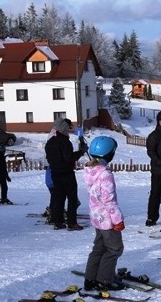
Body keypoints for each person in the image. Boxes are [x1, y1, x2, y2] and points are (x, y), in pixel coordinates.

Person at [82, 136, 127, 290]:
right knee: (114, 249)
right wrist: (117, 220)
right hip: (108, 219)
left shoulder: (90, 171)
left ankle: (90, 279)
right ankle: (104, 280)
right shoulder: (105, 174)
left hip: (97, 217)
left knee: (99, 248)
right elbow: (109, 200)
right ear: (110, 154)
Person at [45, 118, 86, 231]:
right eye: (67, 129)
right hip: (66, 173)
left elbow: (49, 158)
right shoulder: (64, 141)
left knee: (59, 197)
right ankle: (72, 223)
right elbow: (69, 157)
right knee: (72, 198)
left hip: (55, 172)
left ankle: (58, 222)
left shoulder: (50, 142)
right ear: (63, 129)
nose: (68, 130)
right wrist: (81, 152)